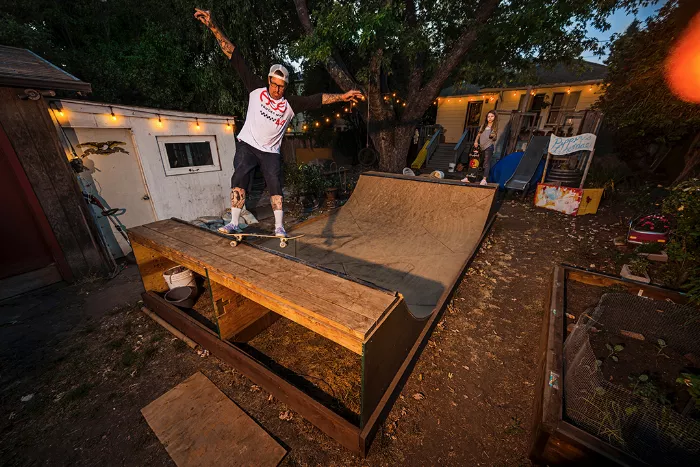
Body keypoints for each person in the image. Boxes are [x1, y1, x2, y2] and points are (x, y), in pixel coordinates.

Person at [194, 8, 363, 237]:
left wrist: (342, 97)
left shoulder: (291, 103)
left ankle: (279, 226)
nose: (276, 89)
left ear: (286, 86)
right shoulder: (255, 87)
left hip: (270, 152)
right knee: (240, 176)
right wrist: (213, 26)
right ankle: (234, 222)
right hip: (247, 144)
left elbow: (318, 100)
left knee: (275, 184)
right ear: (268, 81)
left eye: (281, 86)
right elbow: (234, 55)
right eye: (273, 84)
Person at [462, 110, 498, 185]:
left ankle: (484, 180)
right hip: (481, 147)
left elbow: (493, 138)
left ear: (495, 117)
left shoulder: (494, 127)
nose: (490, 118)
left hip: (489, 147)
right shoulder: (483, 126)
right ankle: (468, 177)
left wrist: (493, 136)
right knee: (474, 162)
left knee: (486, 163)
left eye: (492, 116)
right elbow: (478, 135)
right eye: (488, 116)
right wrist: (476, 141)